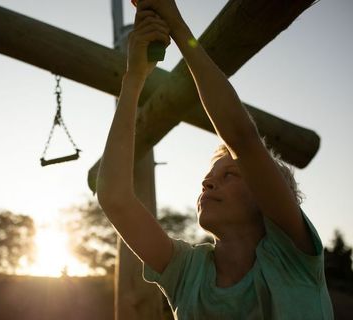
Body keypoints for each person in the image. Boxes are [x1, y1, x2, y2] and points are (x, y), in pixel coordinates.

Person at [96, 0, 334, 319]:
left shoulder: (291, 255)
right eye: (210, 177)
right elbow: (114, 198)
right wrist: (133, 77)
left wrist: (178, 27)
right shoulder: (186, 270)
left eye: (230, 175)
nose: (208, 182)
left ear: (265, 199)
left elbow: (242, 137)